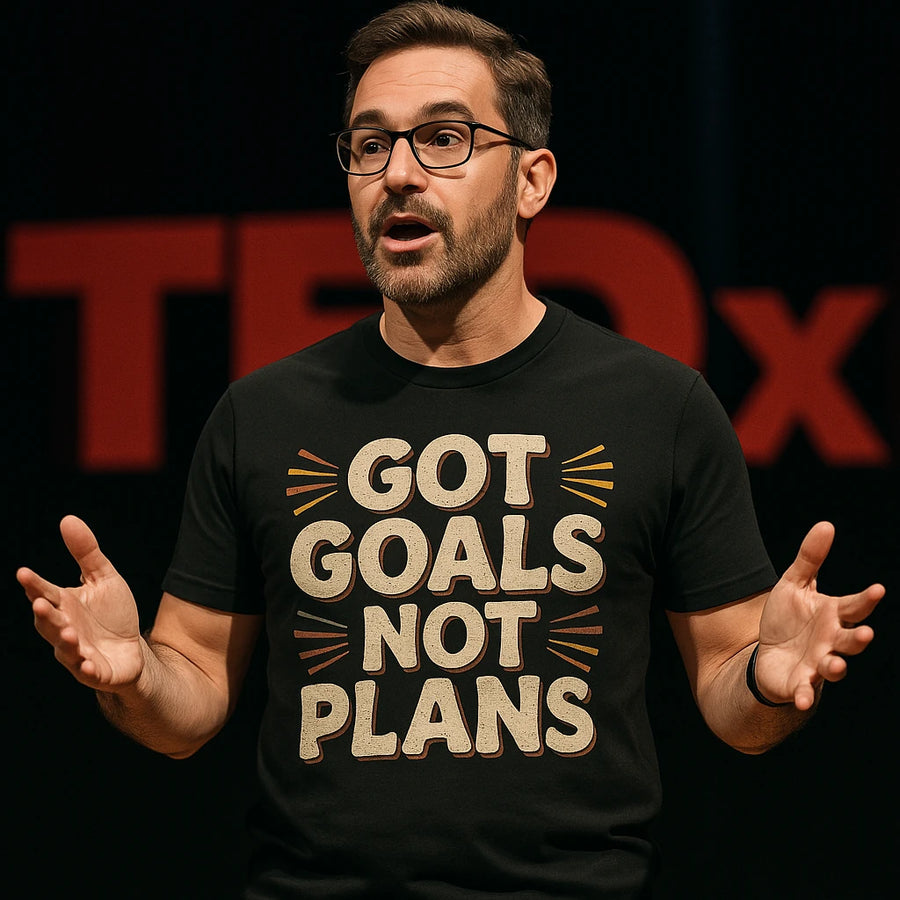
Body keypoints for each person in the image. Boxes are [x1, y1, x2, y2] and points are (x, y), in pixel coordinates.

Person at [17, 3, 884, 898]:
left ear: (532, 180)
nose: (397, 174)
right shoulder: (262, 415)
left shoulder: (658, 406)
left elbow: (729, 693)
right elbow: (188, 695)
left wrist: (771, 681)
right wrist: (129, 679)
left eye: (443, 139)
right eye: (369, 145)